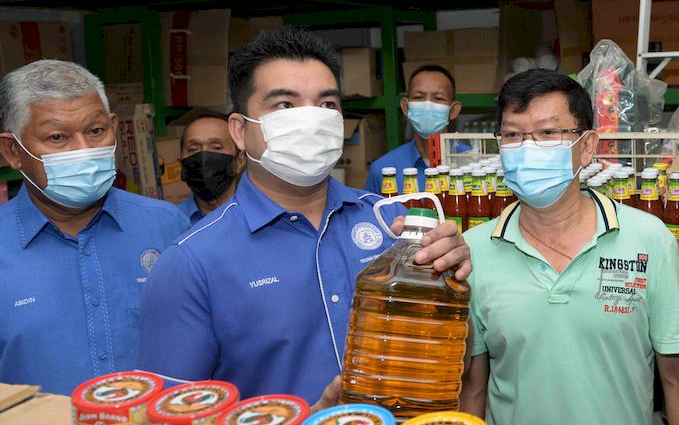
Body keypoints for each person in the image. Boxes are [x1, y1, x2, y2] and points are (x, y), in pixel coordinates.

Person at [136, 27, 471, 406]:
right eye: (285, 106)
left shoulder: (390, 221)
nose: (311, 120)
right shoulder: (191, 264)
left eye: (326, 105)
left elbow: (452, 355)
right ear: (240, 131)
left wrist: (452, 289)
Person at [459, 69, 679, 425]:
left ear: (587, 146)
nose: (528, 148)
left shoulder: (649, 239)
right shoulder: (471, 251)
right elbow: (473, 388)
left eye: (547, 133)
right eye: (512, 135)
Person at [0, 60, 189, 395]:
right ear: (13, 151)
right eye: (57, 137)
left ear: (114, 127)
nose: (84, 152)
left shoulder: (167, 226)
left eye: (95, 131)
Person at [364, 65, 462, 193]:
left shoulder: (472, 163)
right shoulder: (383, 170)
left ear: (453, 110)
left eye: (438, 98)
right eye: (418, 97)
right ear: (406, 107)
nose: (428, 105)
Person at [175, 112, 245, 223]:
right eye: (193, 149)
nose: (204, 157)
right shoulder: (171, 222)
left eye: (216, 147)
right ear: (181, 166)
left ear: (239, 161)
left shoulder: (265, 218)